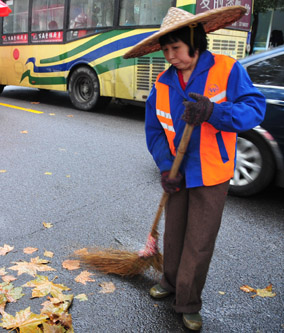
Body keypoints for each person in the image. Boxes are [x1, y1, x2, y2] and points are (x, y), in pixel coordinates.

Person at [123, 6, 266, 331]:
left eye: (176, 48)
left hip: (212, 173)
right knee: (174, 234)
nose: (171, 56)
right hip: (177, 173)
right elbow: (155, 131)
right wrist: (164, 166)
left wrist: (214, 112)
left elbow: (254, 110)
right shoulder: (162, 84)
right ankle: (170, 281)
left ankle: (188, 301)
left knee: (199, 240)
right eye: (166, 50)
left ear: (194, 42)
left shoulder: (227, 69)